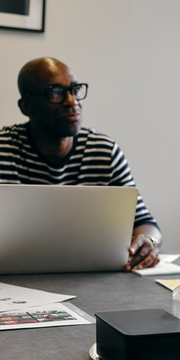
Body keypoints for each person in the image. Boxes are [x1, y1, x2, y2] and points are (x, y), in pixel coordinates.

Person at [0, 57, 161, 270]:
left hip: (91, 277)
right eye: (55, 92)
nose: (72, 101)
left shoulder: (104, 151)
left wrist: (148, 243)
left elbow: (145, 223)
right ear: (26, 107)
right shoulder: (4, 149)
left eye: (75, 90)